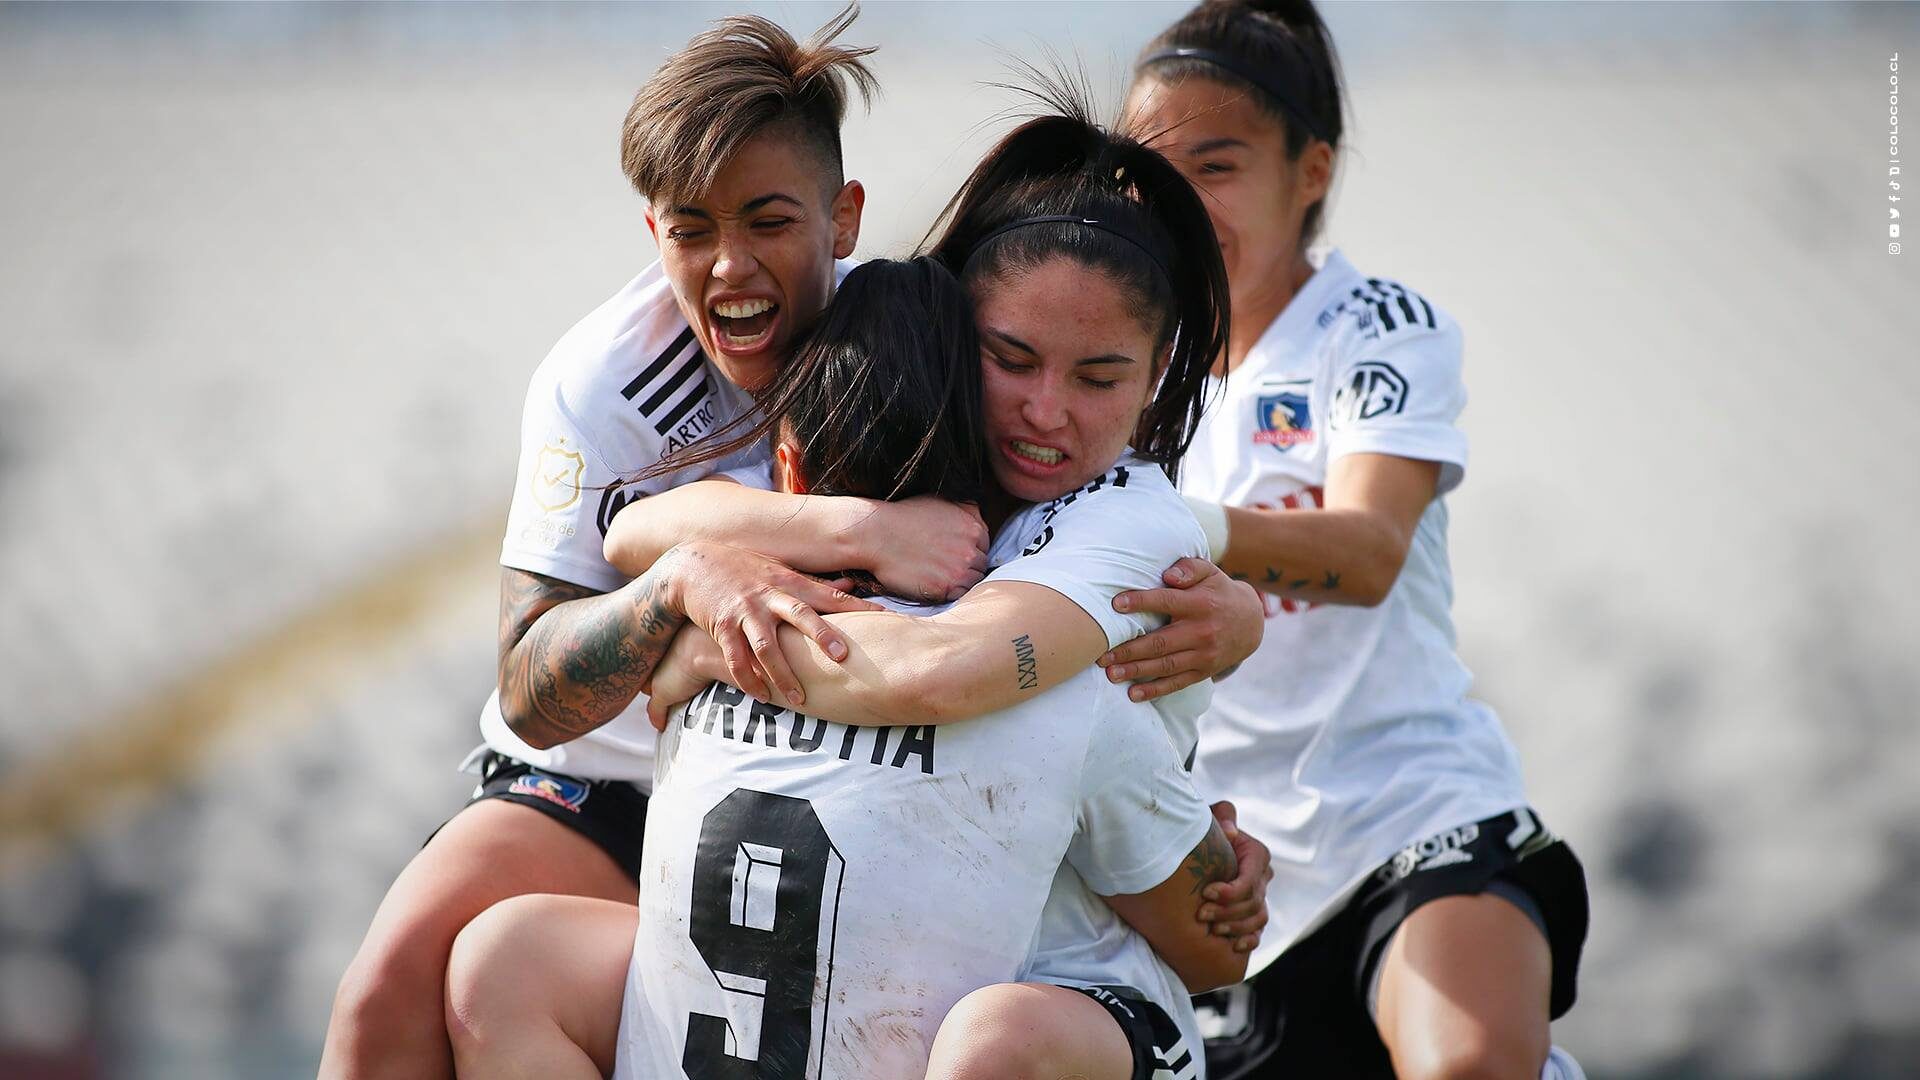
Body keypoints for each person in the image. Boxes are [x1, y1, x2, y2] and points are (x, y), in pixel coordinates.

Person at [322, 8, 1258, 1076]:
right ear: (654, 232)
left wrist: (1240, 611)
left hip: (840, 767)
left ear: (843, 220)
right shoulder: (603, 383)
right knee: (395, 990)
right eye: (691, 229)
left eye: (769, 221)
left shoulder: (919, 330)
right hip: (623, 771)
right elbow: (547, 675)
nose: (732, 267)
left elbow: (1109, 533)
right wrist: (748, 576)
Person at [444, 256, 1244, 1080]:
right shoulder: (1061, 688)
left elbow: (630, 537)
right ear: (995, 497)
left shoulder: (706, 644)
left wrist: (694, 632)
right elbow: (1218, 950)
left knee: (499, 964)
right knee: (1009, 1041)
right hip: (1023, 1029)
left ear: (785, 474)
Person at [1114, 3, 1591, 1078]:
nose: (1180, 205)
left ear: (1311, 171)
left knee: (1468, 1062)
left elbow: (1371, 549)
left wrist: (1180, 527)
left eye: (1218, 164)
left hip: (1411, 814)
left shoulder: (1375, 328)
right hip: (1228, 882)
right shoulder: (1117, 370)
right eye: (1149, 173)